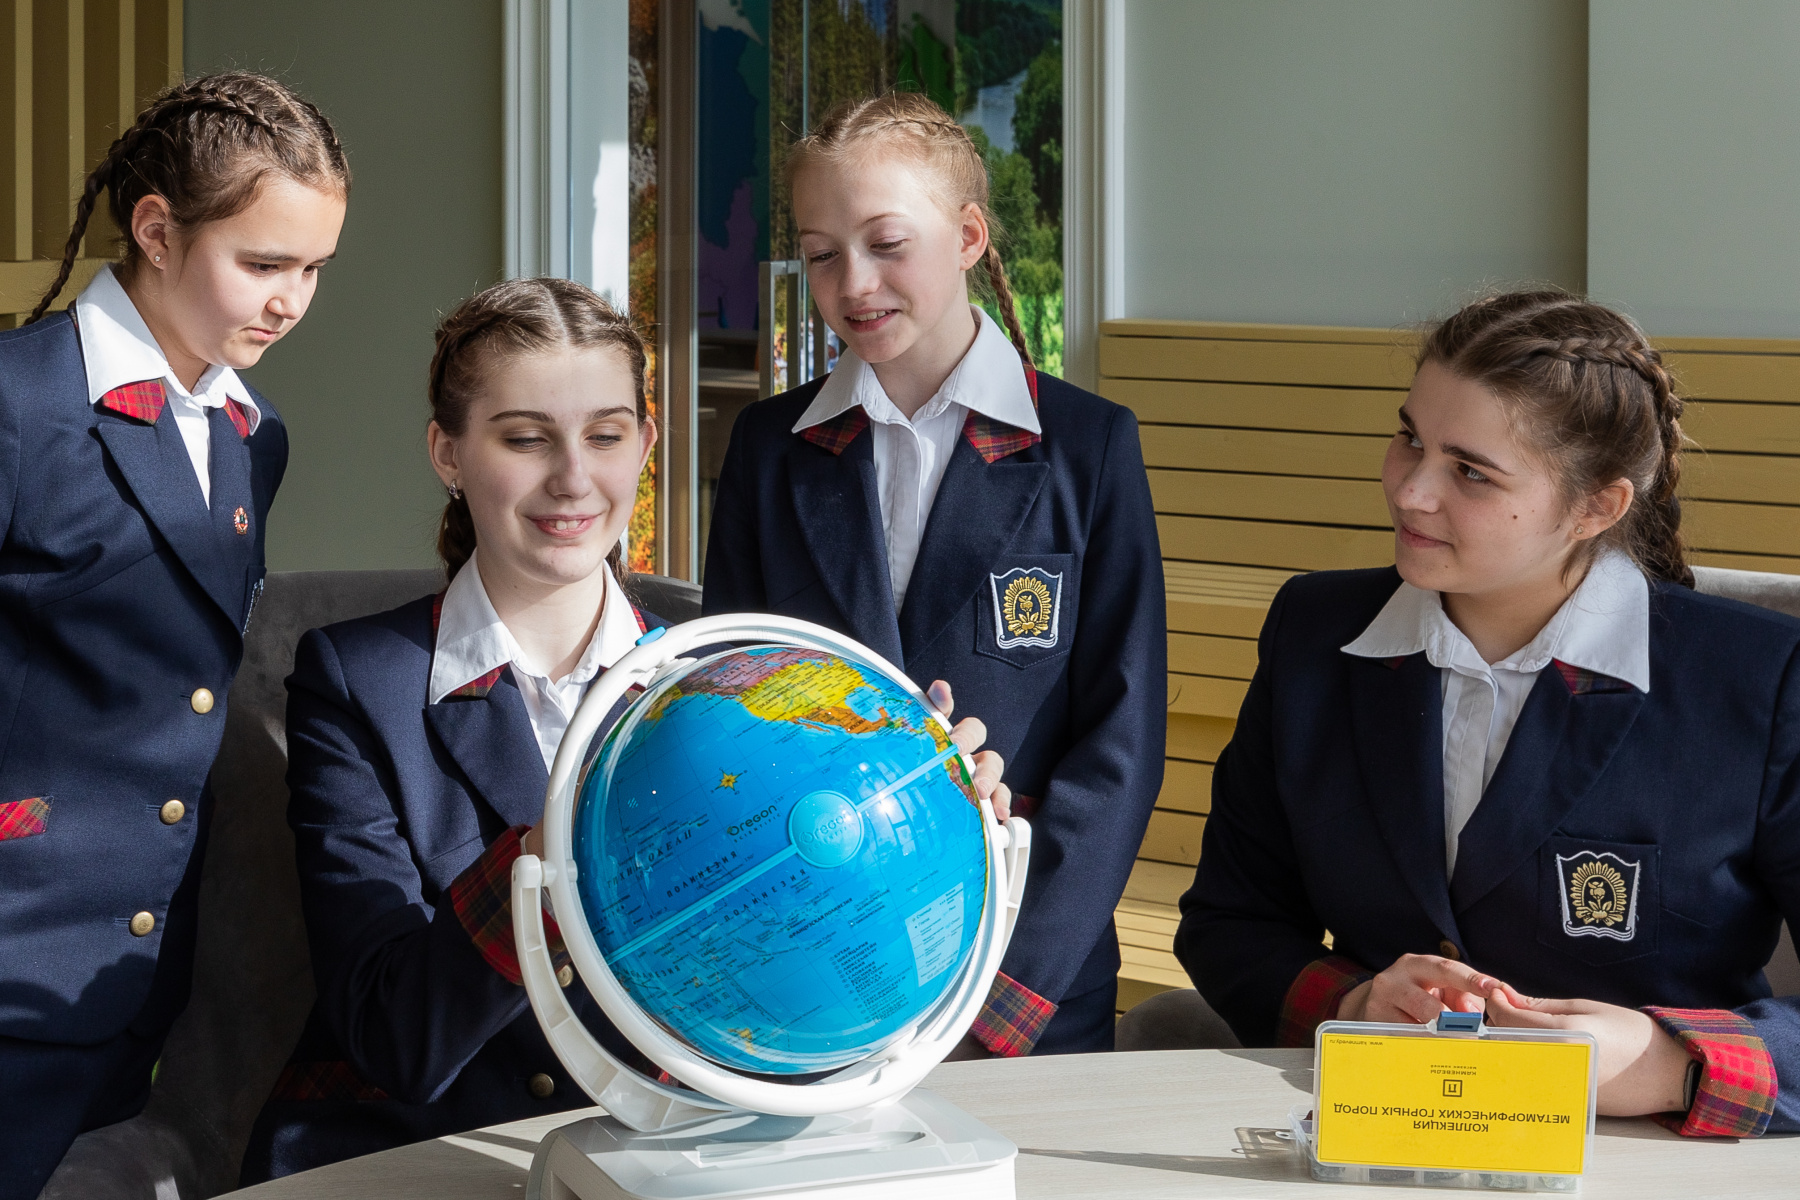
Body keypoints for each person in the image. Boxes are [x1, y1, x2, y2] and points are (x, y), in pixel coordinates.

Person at [241, 277, 1012, 1179]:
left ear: (646, 445)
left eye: (605, 436)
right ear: (448, 454)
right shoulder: (358, 683)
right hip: (426, 1157)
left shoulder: (738, 689)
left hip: (676, 1163)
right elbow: (393, 1039)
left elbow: (800, 996)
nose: (573, 478)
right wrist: (557, 858)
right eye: (525, 438)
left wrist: (930, 816)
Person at [1177, 289, 1800, 1137]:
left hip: (1651, 1153)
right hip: (1375, 1135)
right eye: (1410, 439)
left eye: (1470, 471)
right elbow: (1231, 922)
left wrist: (1672, 1063)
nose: (1411, 491)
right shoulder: (1312, 635)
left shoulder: (1761, 680)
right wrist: (1355, 1003)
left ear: (1597, 507)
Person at [703, 93, 1165, 1058]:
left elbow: (1121, 746)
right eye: (821, 254)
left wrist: (1008, 991)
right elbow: (731, 706)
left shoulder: (1088, 448)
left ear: (966, 237)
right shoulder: (768, 449)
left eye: (886, 244)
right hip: (815, 962)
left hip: (1027, 964)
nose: (853, 283)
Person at [0, 74, 347, 1196]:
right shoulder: (16, 402)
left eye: (314, 269)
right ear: (157, 230)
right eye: (264, 263)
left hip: (136, 969)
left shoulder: (254, 432)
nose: (291, 302)